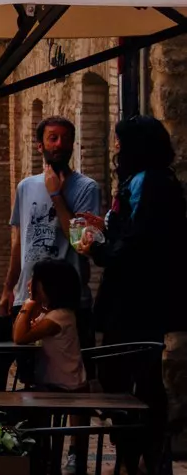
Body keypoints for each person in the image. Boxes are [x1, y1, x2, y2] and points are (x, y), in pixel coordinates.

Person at [81, 114, 187, 348]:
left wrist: (98, 249)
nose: (116, 145)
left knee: (124, 363)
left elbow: (140, 237)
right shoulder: (148, 179)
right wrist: (105, 227)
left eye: (120, 140)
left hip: (137, 294)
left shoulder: (149, 182)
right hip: (139, 291)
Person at [0, 115, 103, 320]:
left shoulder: (87, 188)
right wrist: (8, 288)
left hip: (68, 300)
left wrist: (56, 196)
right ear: (40, 146)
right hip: (28, 299)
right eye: (52, 138)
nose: (59, 144)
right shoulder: (25, 187)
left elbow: (81, 242)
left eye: (65, 139)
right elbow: (20, 243)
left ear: (73, 144)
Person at [13, 256, 87, 391]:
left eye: (35, 280)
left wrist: (27, 305)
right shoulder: (53, 313)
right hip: (57, 384)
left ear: (50, 286)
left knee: (16, 402)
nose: (29, 284)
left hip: (63, 387)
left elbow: (20, 337)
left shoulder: (58, 317)